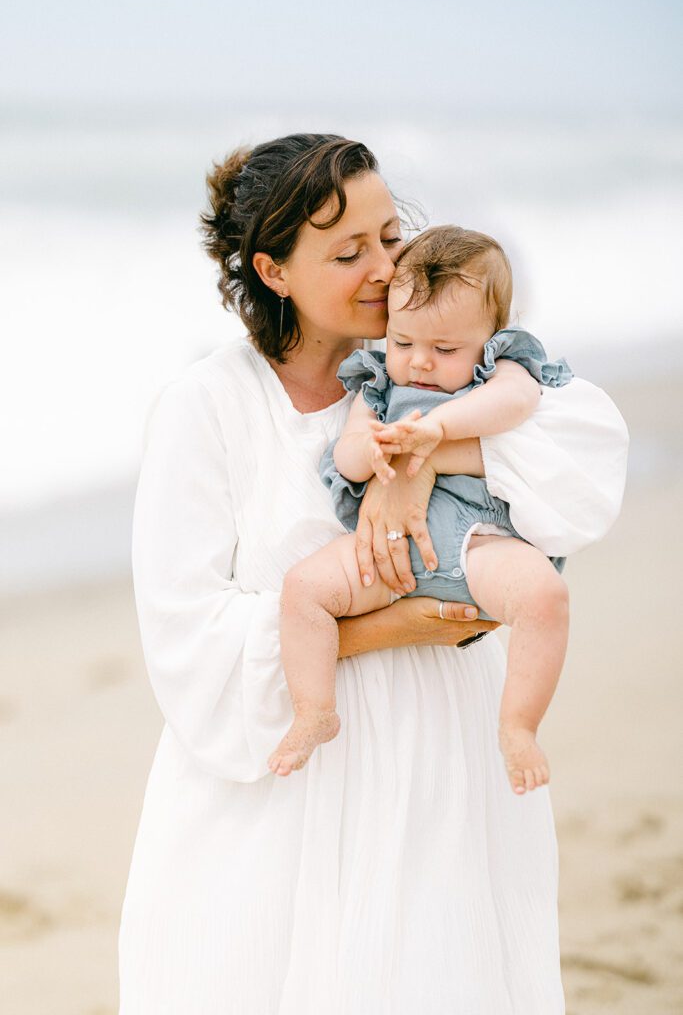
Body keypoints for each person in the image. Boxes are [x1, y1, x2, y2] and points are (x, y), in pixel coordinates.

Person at [118, 133, 628, 1014]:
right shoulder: (206, 407)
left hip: (444, 764)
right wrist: (386, 626)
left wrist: (432, 452)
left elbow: (582, 463)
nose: (386, 266)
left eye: (390, 236)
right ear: (273, 272)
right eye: (348, 251)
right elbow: (184, 637)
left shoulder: (451, 364)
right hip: (283, 787)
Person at [268, 225, 575, 794]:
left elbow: (516, 402)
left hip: (479, 546)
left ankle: (519, 725)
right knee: (304, 591)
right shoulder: (379, 381)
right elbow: (349, 457)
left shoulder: (502, 368)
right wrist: (373, 448)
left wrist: (436, 429)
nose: (421, 364)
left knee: (544, 598)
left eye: (445, 350)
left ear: (491, 338)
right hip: (390, 557)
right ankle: (314, 709)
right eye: (404, 342)